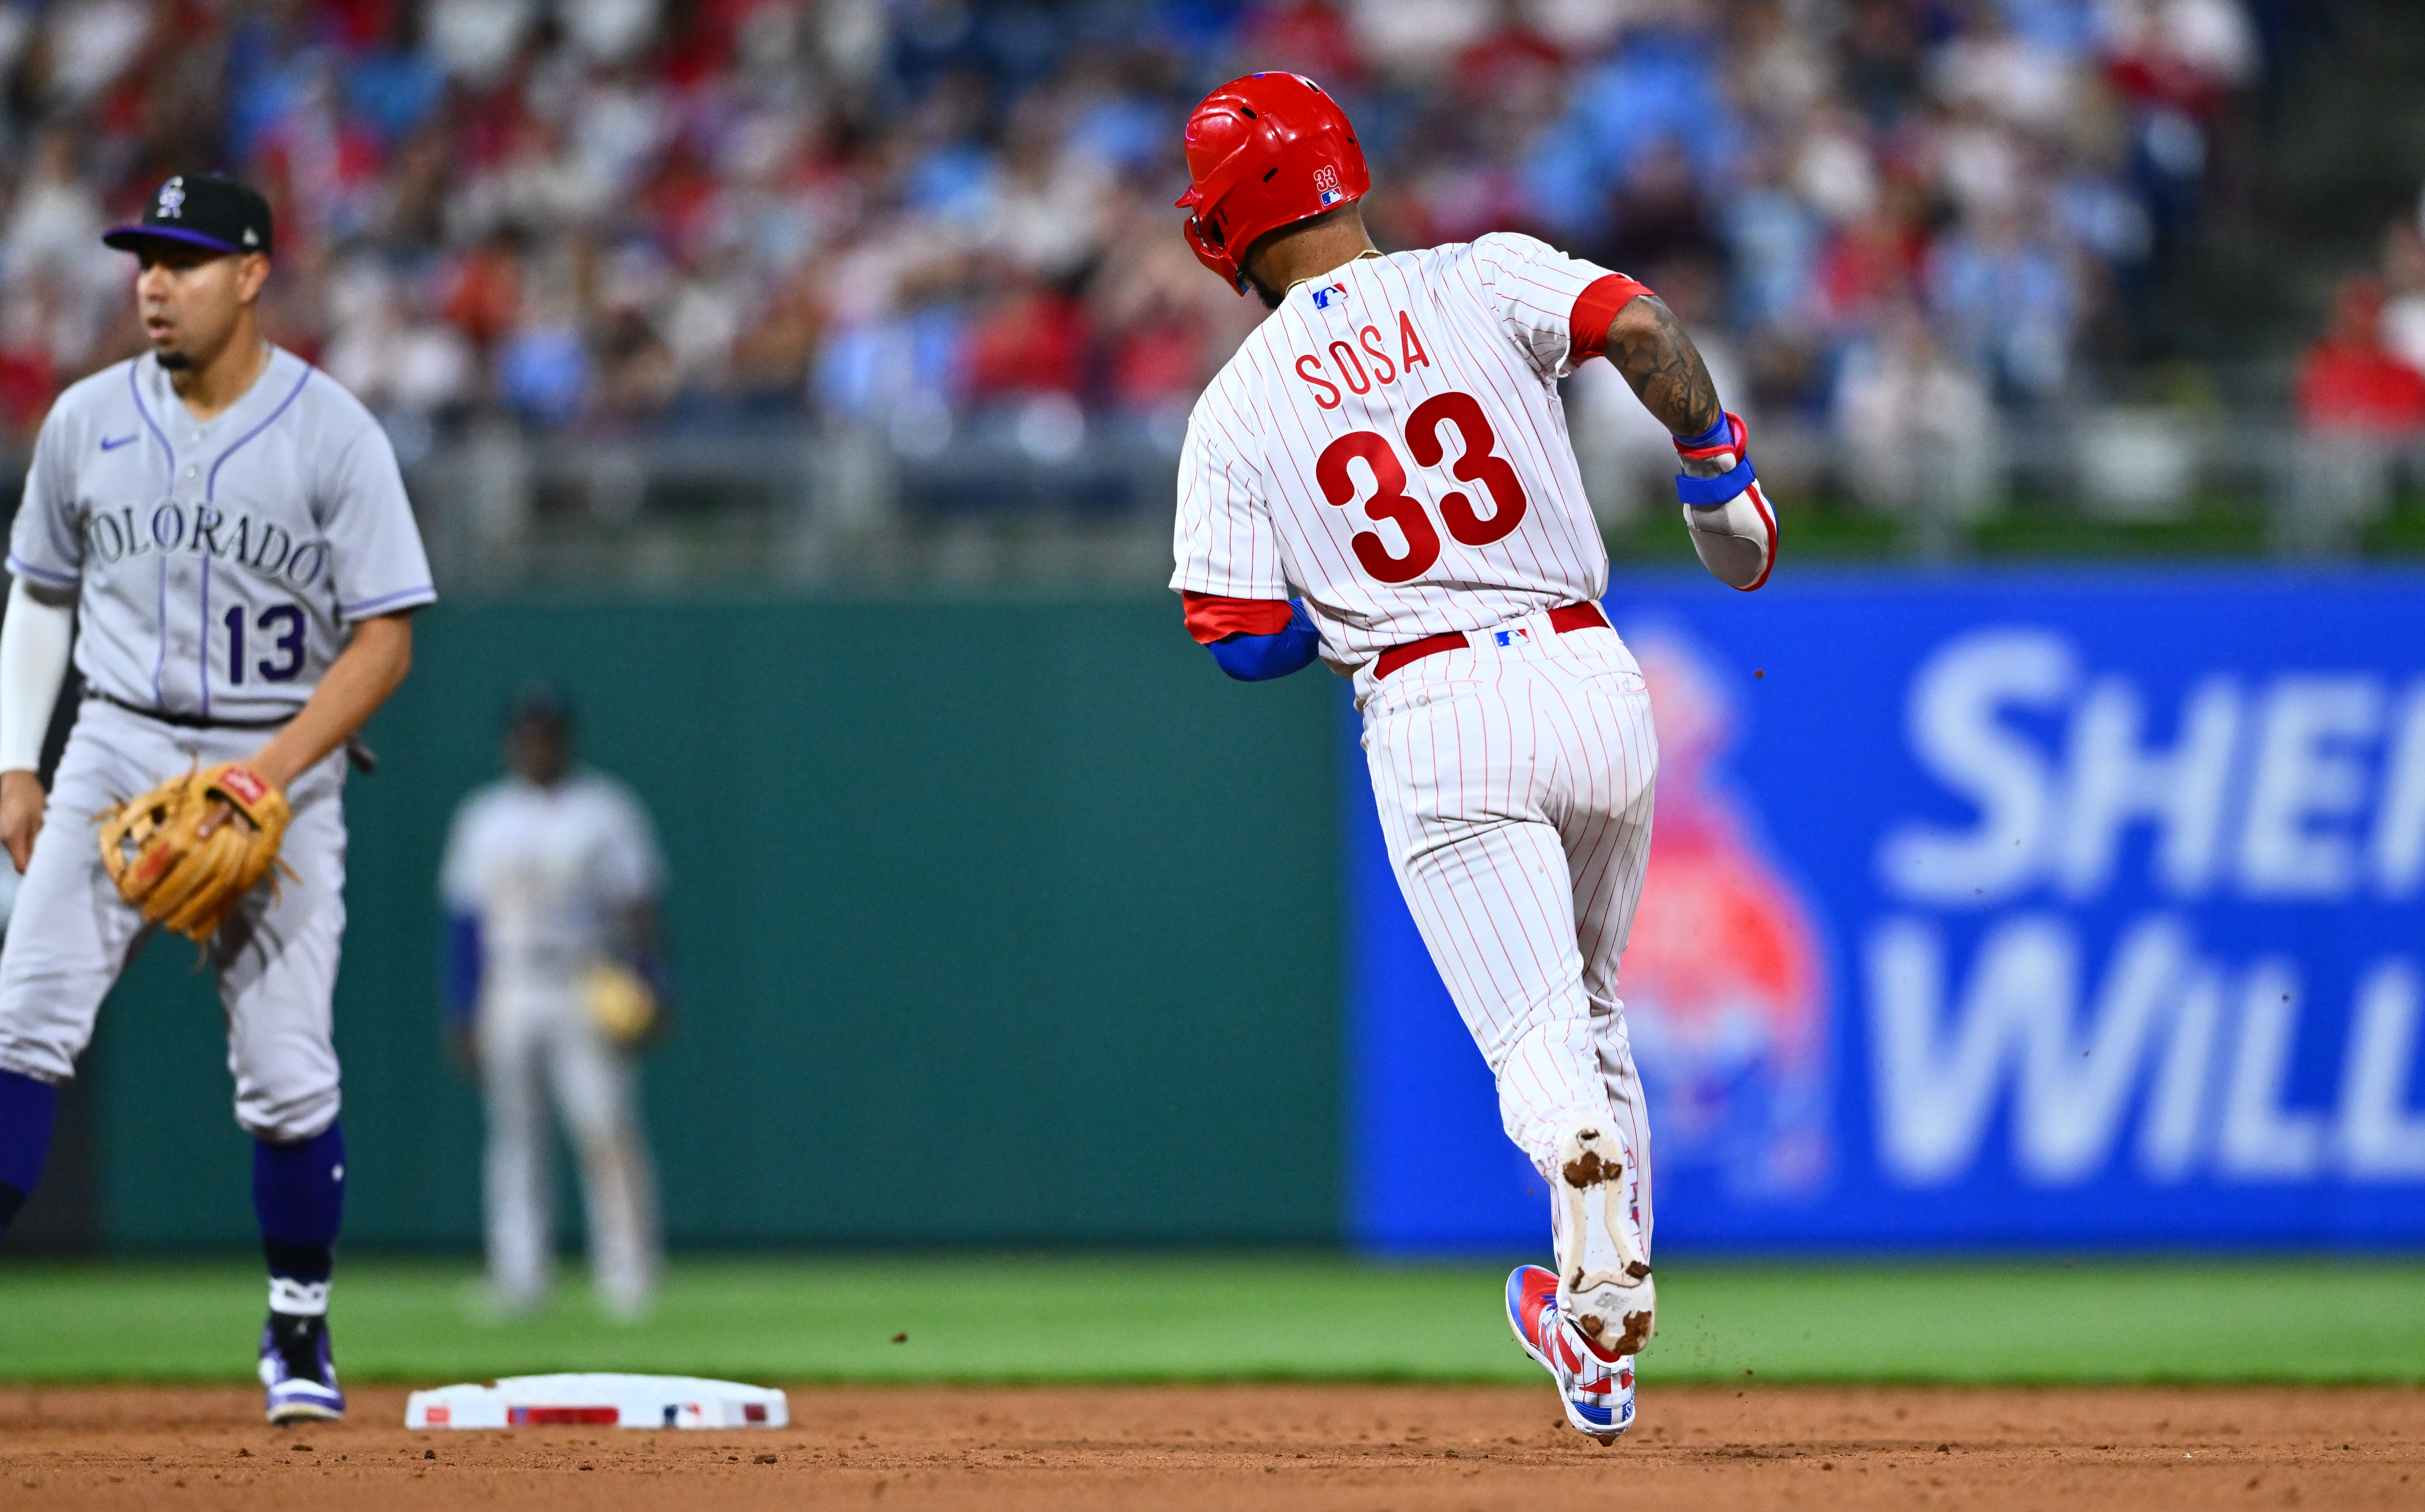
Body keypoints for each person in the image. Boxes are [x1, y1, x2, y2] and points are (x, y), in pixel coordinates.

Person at [1167, 73, 1776, 1443]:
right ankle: (1598, 1322)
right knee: (1594, 1003)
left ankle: (1573, 1161)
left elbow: (1238, 639)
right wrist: (1714, 466)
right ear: (1344, 168)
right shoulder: (1480, 273)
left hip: (1435, 707)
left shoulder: (1236, 406)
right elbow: (1636, 318)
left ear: (1221, 228)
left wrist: (1350, 610)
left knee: (1535, 1043)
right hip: (1586, 665)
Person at [0, 174, 434, 1423]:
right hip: (117, 746)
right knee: (23, 1026)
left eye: (183, 260)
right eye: (144, 257)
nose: (152, 281)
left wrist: (273, 768)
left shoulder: (333, 432)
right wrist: (21, 763)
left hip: (273, 764)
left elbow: (386, 641)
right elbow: (40, 593)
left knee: (290, 1078)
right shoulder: (84, 421)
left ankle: (297, 1331)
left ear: (251, 275)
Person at [440, 686, 665, 1319]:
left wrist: (652, 982)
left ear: (567, 738)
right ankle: (519, 1274)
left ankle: (627, 1271)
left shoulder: (606, 810)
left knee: (605, 1125)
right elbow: (465, 919)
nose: (537, 744)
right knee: (514, 1135)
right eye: (527, 733)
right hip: (510, 983)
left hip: (584, 979)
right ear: (512, 741)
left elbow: (640, 904)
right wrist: (463, 1008)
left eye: (548, 732)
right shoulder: (484, 815)